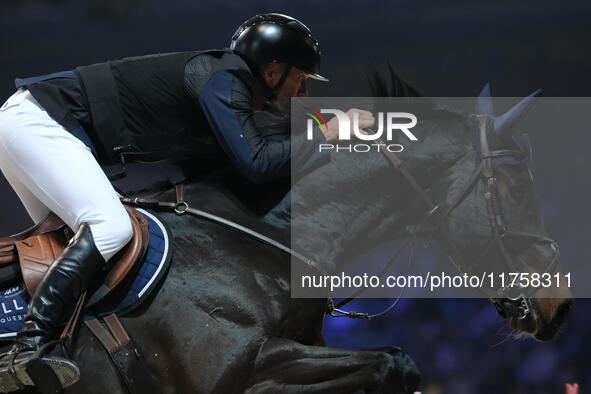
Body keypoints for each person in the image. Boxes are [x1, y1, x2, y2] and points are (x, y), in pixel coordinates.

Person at [0, 13, 375, 392]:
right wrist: (327, 133)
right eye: (301, 79)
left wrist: (327, 134)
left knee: (83, 250)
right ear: (274, 71)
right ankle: (29, 348)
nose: (303, 93)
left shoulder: (228, 89)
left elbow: (236, 166)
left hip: (41, 126)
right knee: (110, 228)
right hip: (41, 122)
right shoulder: (222, 78)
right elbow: (258, 162)